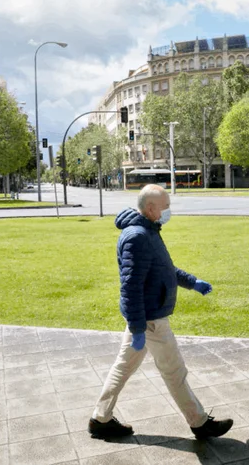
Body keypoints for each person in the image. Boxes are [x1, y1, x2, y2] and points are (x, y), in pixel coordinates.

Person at [89, 184, 233, 440]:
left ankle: (100, 419)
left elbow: (165, 270)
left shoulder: (149, 231)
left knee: (123, 368)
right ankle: (199, 423)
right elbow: (131, 287)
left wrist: (193, 282)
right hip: (150, 319)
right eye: (166, 206)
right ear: (151, 208)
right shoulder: (138, 237)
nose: (169, 211)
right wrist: (138, 328)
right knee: (174, 370)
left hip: (147, 318)